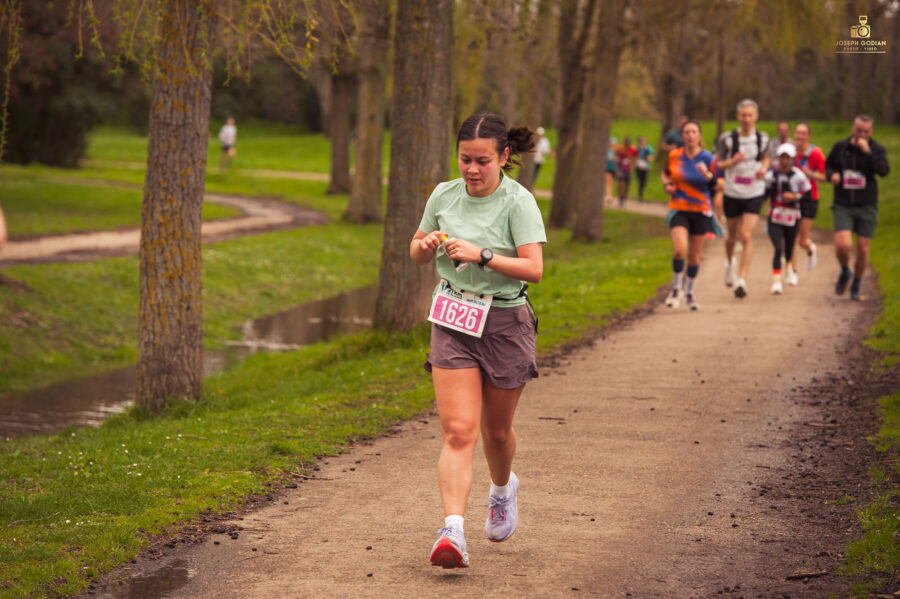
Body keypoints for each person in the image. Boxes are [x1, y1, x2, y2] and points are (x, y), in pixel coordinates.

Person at [410, 112, 546, 569]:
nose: (472, 169)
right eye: (465, 159)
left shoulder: (518, 202)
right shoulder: (443, 195)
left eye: (482, 161)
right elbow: (413, 248)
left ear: (504, 157)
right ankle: (452, 532)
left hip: (505, 321)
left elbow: (535, 269)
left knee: (495, 431)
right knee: (458, 432)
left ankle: (503, 489)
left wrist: (482, 254)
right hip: (452, 316)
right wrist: (426, 246)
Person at [825, 115, 890, 301]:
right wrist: (833, 175)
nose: (862, 134)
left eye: (866, 131)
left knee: (862, 248)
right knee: (843, 245)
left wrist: (868, 152)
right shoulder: (841, 147)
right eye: (859, 130)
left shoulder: (876, 149)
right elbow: (828, 165)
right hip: (843, 203)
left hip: (866, 204)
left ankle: (856, 282)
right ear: (853, 129)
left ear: (871, 132)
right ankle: (845, 270)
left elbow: (884, 171)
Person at [661, 120, 719, 311]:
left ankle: (690, 293)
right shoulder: (674, 156)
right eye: (687, 132)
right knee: (680, 250)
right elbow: (666, 174)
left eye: (694, 132)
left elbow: (720, 184)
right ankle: (676, 289)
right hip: (679, 208)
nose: (690, 135)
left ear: (699, 136)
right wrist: (667, 185)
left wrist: (708, 176)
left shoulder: (709, 158)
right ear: (682, 136)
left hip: (700, 210)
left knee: (694, 257)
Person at [716, 99, 771, 298]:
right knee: (731, 237)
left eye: (750, 115)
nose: (747, 119)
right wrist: (732, 161)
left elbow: (766, 156)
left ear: (756, 116)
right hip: (732, 192)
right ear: (738, 116)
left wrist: (764, 167)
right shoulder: (727, 139)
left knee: (746, 235)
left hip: (754, 192)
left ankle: (742, 280)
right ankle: (730, 262)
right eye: (743, 115)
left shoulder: (763, 138)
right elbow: (717, 164)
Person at [764, 143, 812, 294]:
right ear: (778, 158)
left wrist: (795, 197)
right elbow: (763, 193)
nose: (784, 160)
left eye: (788, 157)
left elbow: (808, 195)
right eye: (782, 157)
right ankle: (777, 280)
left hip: (792, 217)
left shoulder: (798, 176)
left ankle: (789, 267)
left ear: (792, 159)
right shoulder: (771, 175)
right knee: (778, 248)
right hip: (775, 216)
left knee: (790, 247)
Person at [791, 122, 827, 276]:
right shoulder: (789, 151)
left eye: (803, 133)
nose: (800, 136)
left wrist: (810, 174)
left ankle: (810, 248)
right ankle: (792, 271)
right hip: (792, 197)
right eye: (798, 133)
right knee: (791, 236)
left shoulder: (815, 153)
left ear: (808, 136)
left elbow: (826, 176)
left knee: (801, 240)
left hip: (810, 198)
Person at [615, 136, 638, 207]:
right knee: (620, 182)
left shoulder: (633, 149)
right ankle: (620, 198)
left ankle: (624, 197)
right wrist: (617, 160)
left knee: (627, 184)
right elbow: (616, 155)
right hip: (621, 168)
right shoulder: (620, 148)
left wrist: (632, 163)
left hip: (628, 169)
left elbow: (636, 157)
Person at [635, 135, 655, 202]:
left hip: (645, 167)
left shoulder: (648, 148)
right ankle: (639, 195)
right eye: (642, 141)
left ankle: (640, 196)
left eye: (644, 141)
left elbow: (653, 156)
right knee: (639, 180)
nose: (643, 142)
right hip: (638, 166)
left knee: (643, 182)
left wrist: (650, 158)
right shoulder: (637, 148)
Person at [605, 137, 618, 203]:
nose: (614, 145)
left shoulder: (614, 151)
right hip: (607, 168)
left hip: (612, 168)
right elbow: (609, 158)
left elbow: (616, 160)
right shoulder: (608, 151)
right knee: (608, 181)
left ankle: (609, 195)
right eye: (613, 143)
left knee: (610, 182)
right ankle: (608, 196)